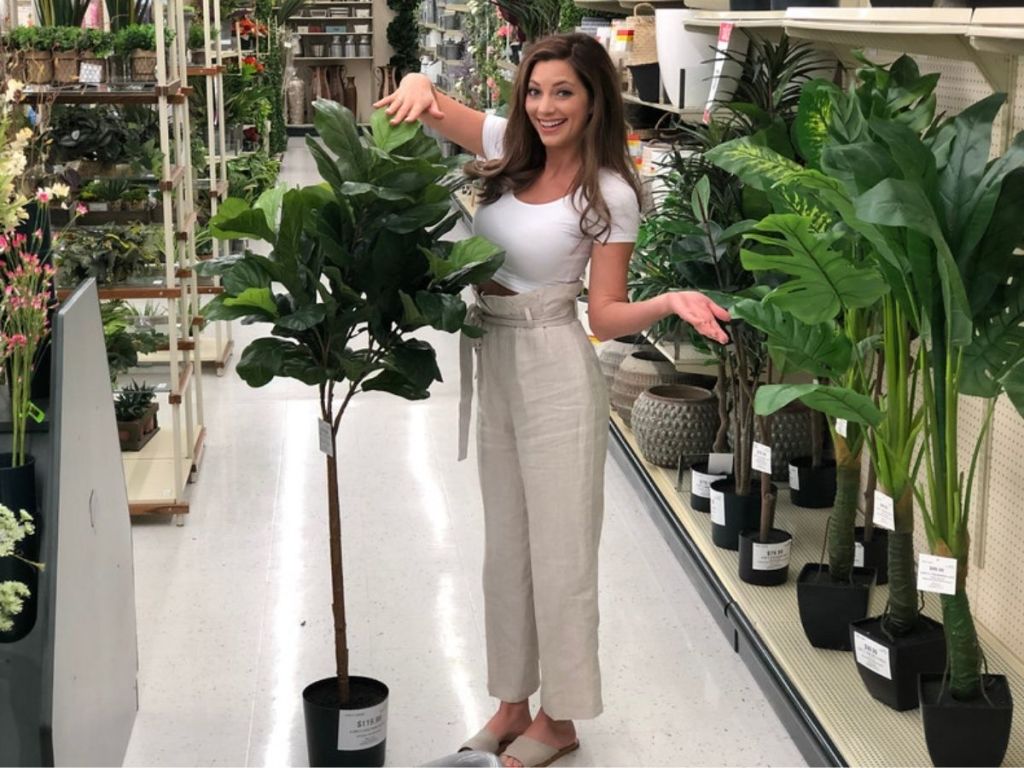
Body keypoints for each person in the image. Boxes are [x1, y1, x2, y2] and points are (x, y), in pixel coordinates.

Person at [374, 33, 730, 768]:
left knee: (562, 550)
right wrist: (413, 78)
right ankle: (510, 703)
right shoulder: (512, 141)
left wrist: (667, 299)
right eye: (535, 91)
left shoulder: (610, 194)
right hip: (493, 352)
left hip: (555, 364)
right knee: (505, 547)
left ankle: (560, 718)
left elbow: (604, 315)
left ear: (594, 98)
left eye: (563, 91)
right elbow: (434, 107)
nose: (544, 106)